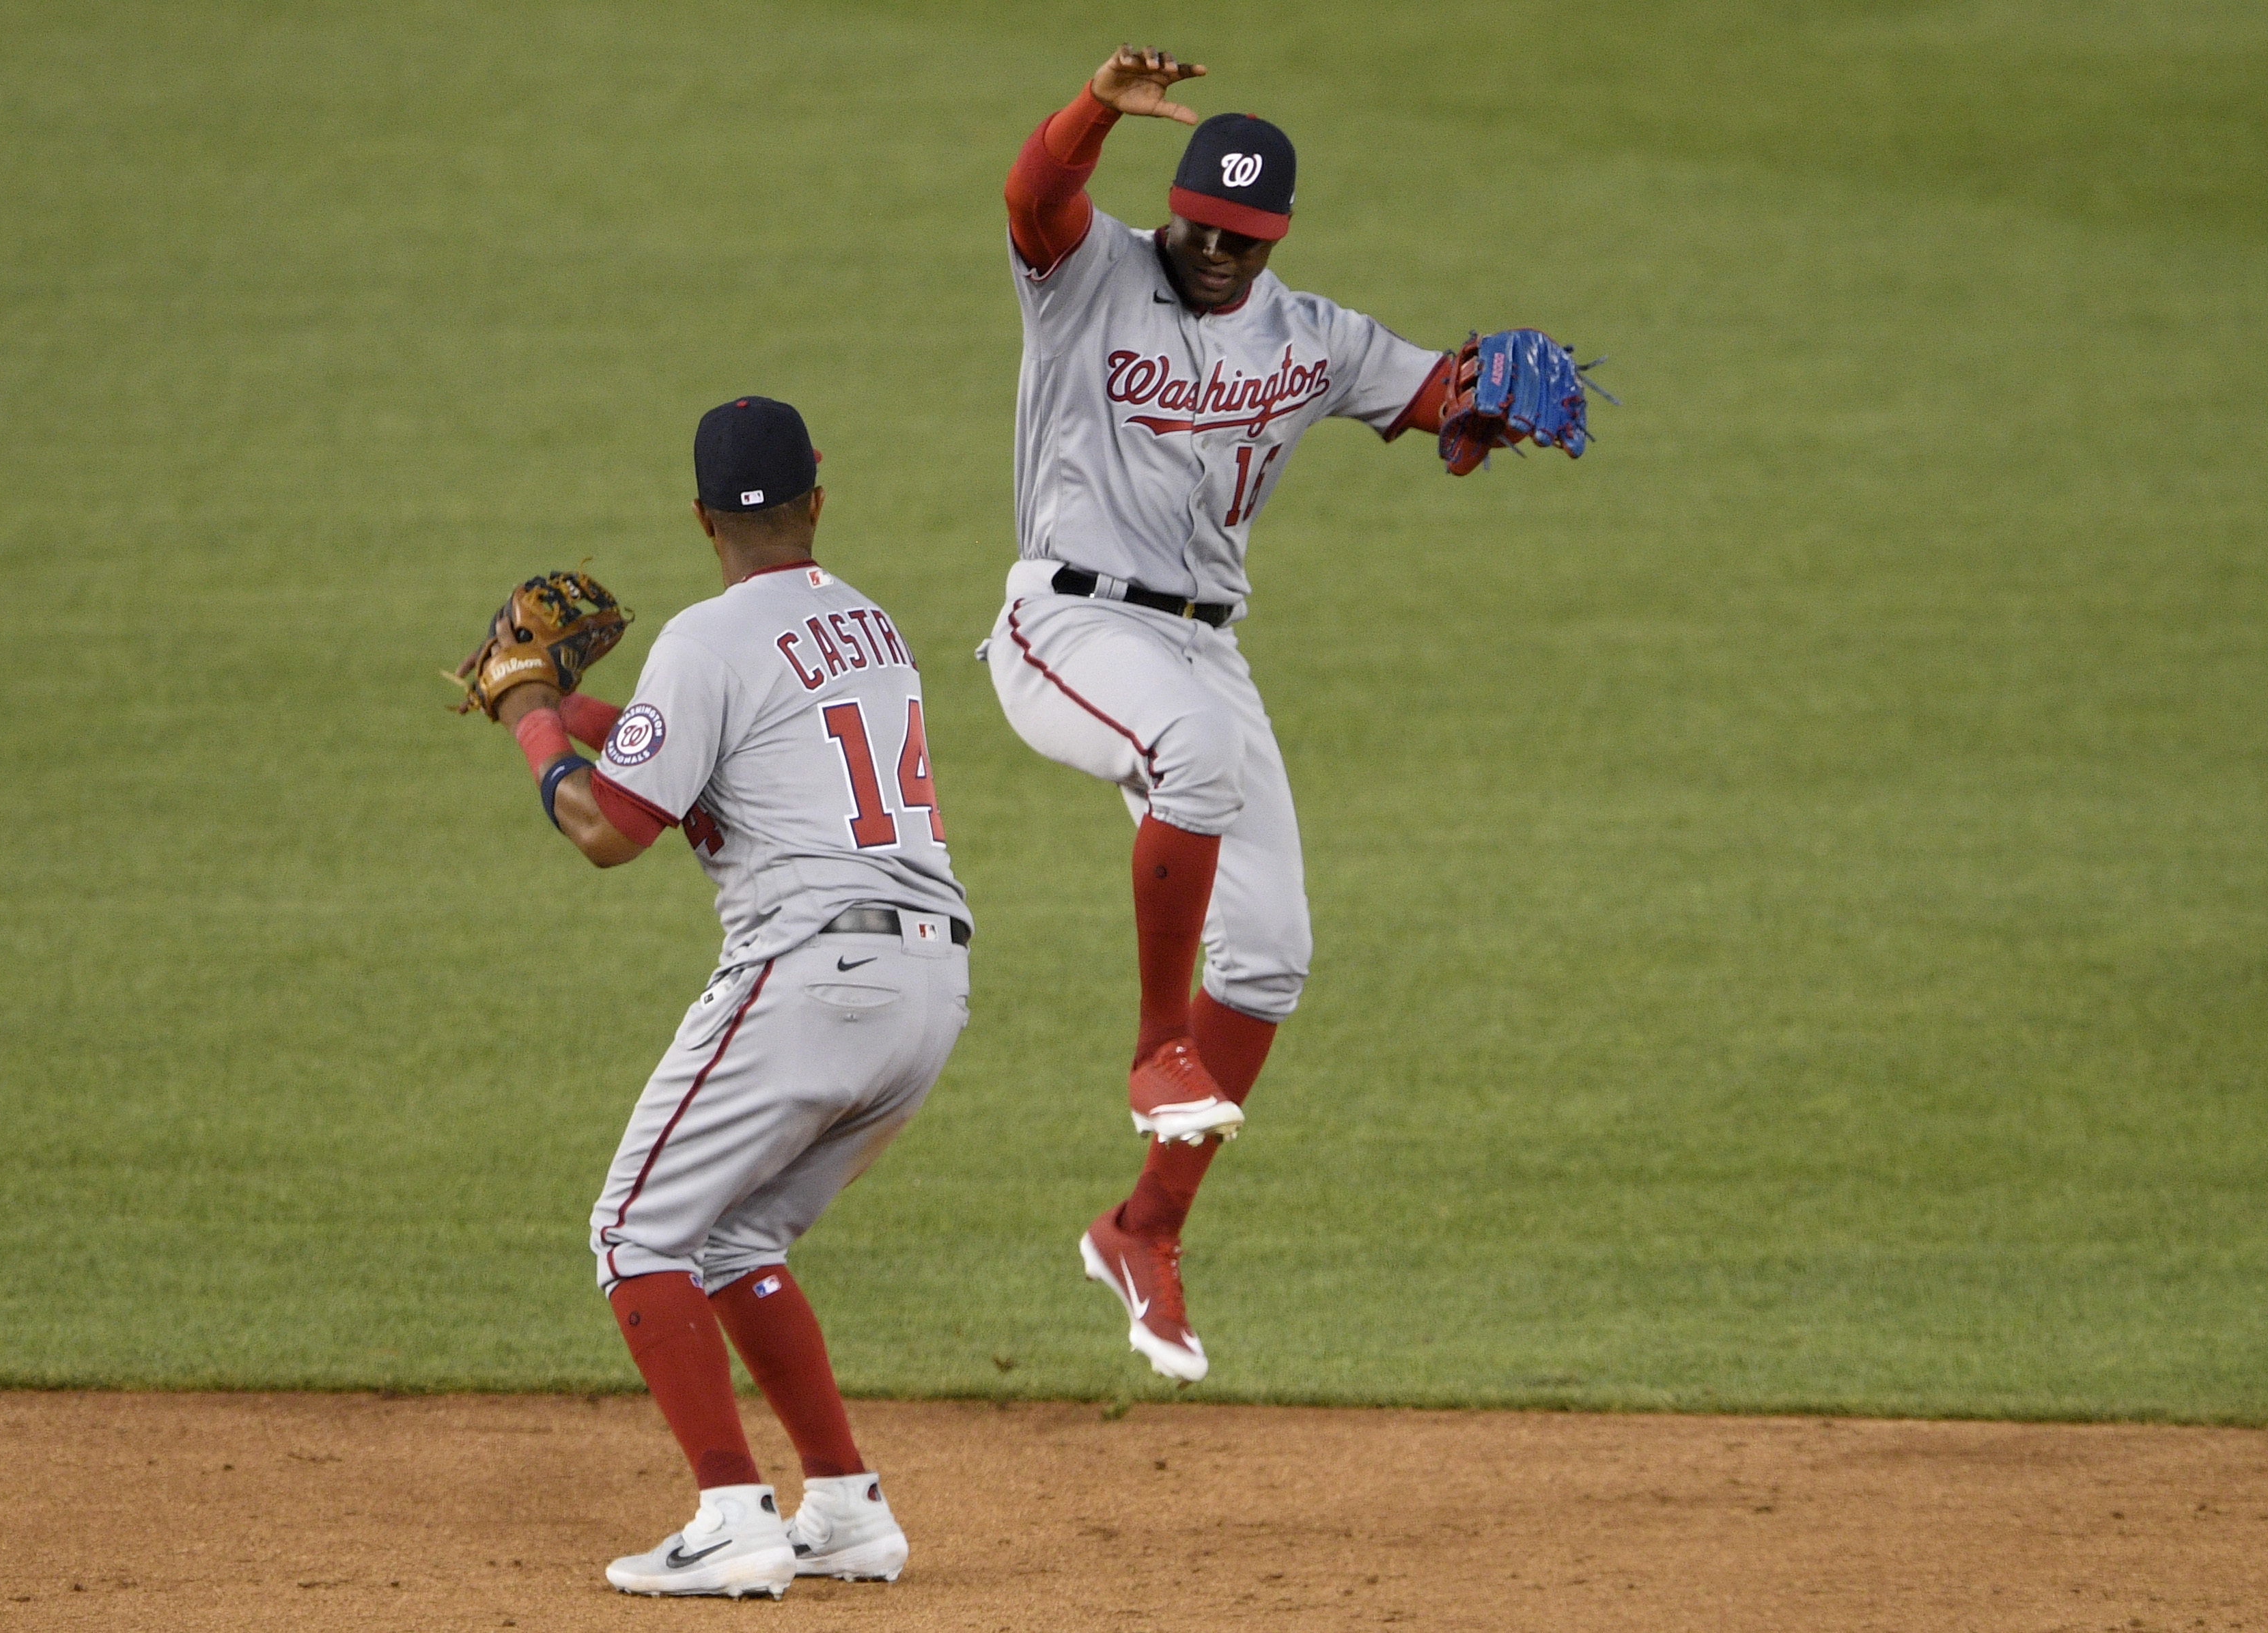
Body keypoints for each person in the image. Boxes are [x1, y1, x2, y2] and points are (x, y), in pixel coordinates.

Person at [983, 46, 1582, 1384]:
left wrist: (1483, 401)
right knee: (1187, 759)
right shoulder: (1087, 276)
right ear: (1174, 205)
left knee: (1270, 951)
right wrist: (1092, 113)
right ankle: (1156, 1045)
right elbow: (1033, 197)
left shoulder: (1309, 336)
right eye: (1201, 226)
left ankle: (1145, 1229)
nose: (1214, 253)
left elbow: (1433, 390)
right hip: (1067, 622)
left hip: (1206, 649)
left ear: (1278, 240)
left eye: (1243, 242)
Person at [471, 397, 971, 1597]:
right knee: (737, 1236)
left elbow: (612, 827)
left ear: (701, 519)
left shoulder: (706, 642)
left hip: (812, 977)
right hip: (929, 986)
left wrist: (530, 717)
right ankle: (846, 1508)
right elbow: (704, 758)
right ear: (818, 495)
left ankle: (730, 1514)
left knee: (634, 1234)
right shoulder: (869, 625)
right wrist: (567, 709)